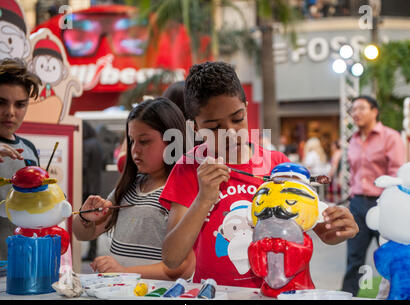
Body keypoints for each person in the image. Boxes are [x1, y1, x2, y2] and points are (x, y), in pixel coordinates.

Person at [159, 61, 359, 288]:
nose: (230, 133)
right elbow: (172, 258)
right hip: (218, 294)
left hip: (281, 291)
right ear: (194, 127)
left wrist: (340, 228)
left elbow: (323, 232)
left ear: (245, 107)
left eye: (237, 118)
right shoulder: (189, 168)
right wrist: (204, 198)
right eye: (214, 127)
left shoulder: (277, 165)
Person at [72, 98, 194, 280]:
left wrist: (122, 272)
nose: (135, 150)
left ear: (172, 141)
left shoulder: (183, 190)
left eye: (144, 141)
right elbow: (82, 234)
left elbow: (182, 268)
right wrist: (85, 217)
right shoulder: (129, 187)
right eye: (131, 141)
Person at [341, 95, 406, 296]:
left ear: (374, 111)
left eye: (361, 108)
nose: (356, 113)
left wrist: (391, 203)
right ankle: (348, 295)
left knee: (391, 255)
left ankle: (398, 293)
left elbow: (398, 172)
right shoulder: (353, 140)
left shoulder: (391, 137)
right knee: (354, 258)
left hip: (384, 204)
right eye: (353, 109)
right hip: (358, 203)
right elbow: (354, 172)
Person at [0, 58, 41, 261]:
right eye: (1, 102)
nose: (10, 112)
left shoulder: (29, 150)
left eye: (20, 104)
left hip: (21, 260)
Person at [82, 121, 104, 261]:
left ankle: (90, 252)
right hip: (97, 186)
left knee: (87, 220)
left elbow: (83, 166)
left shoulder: (86, 145)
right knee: (95, 220)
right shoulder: (97, 144)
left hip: (86, 188)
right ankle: (93, 251)